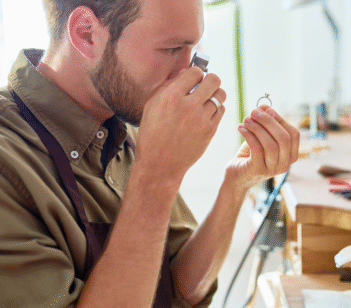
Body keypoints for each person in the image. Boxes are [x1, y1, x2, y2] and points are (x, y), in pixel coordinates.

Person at [0, 0, 300, 307]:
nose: (189, 73)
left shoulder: (122, 117)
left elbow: (179, 288)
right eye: (170, 49)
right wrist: (157, 177)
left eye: (193, 50)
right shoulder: (8, 162)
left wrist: (235, 185)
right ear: (86, 33)